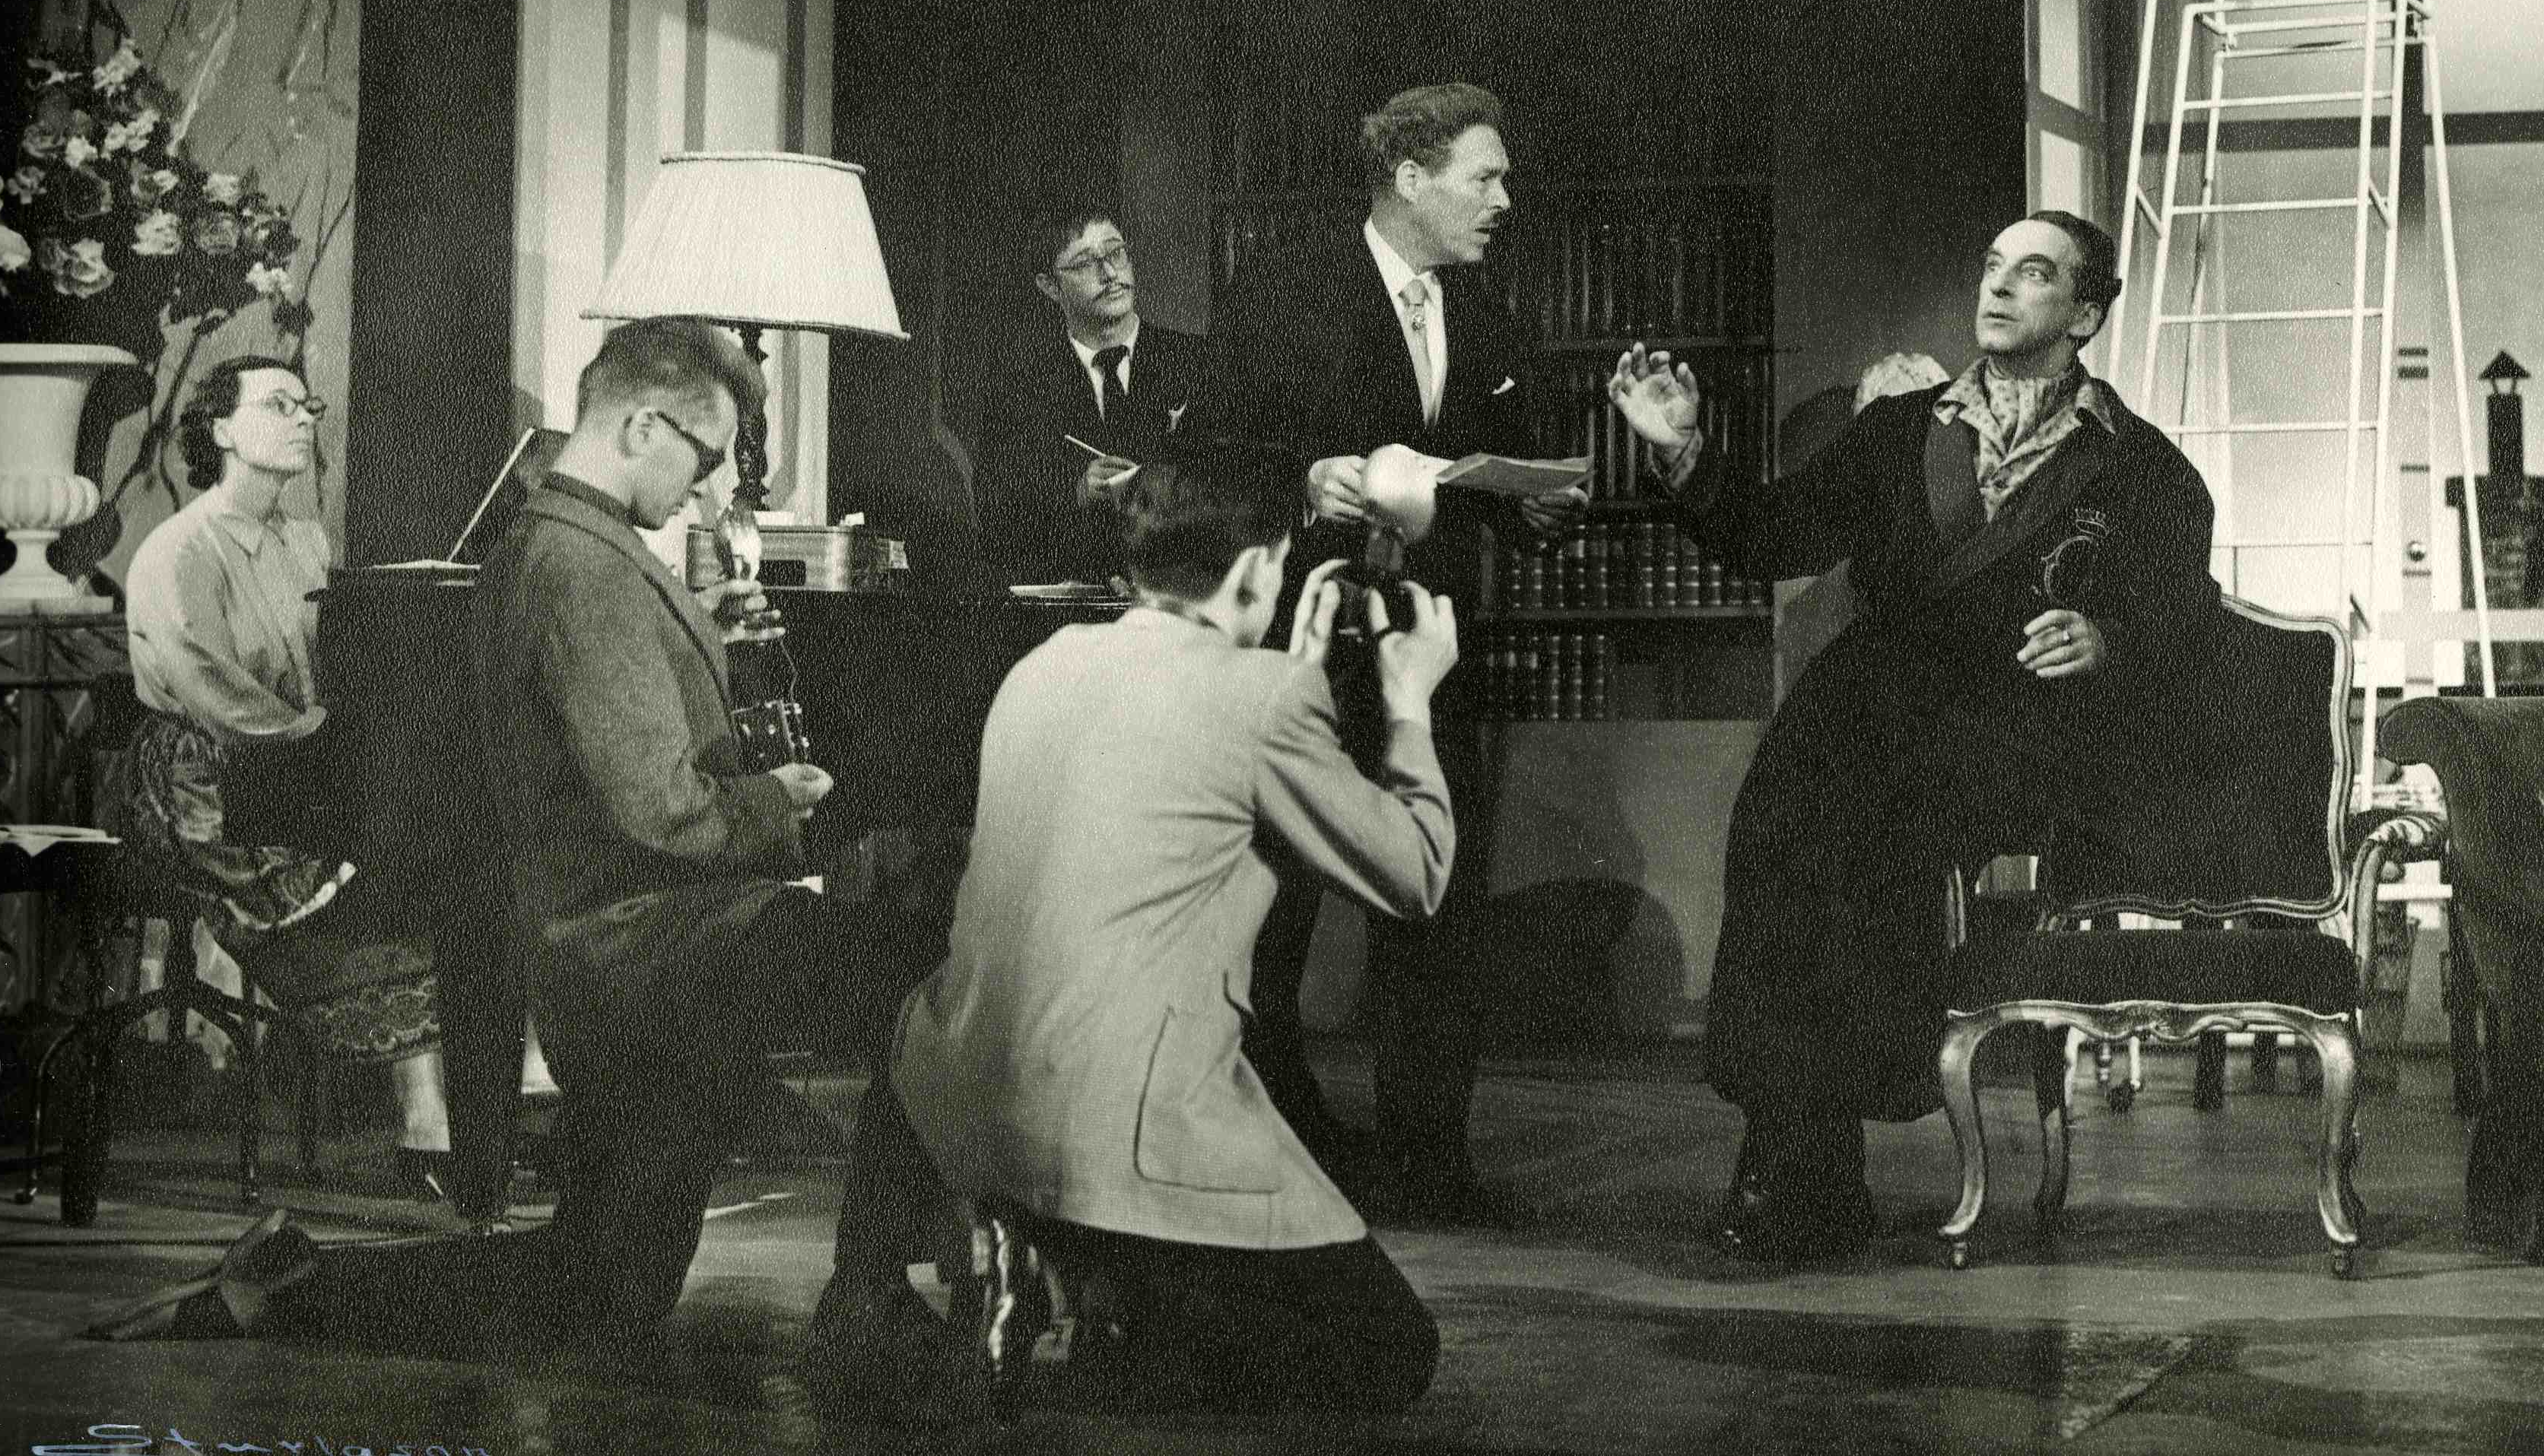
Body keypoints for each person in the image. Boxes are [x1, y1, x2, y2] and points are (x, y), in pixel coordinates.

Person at [87, 320, 961, 1410]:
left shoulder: (563, 544)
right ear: (642, 425)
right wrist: (778, 800)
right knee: (931, 970)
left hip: (621, 951)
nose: (705, 487)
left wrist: (707, 647)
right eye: (702, 456)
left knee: (599, 1290)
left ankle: (286, 1284)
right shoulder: (582, 566)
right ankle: (869, 1297)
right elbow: (666, 811)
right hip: (651, 950)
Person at [1605, 209, 2218, 1261]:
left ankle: (1802, 1159)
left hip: (2016, 724)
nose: (1999, 287)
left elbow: (2187, 620)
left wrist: (2106, 636)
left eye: (2033, 273)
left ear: (2085, 314)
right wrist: (1683, 455)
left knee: (1870, 840)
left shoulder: (2143, 468)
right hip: (1870, 701)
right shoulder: (1896, 432)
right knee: (1782, 824)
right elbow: (1772, 537)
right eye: (1992, 266)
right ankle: (1795, 1152)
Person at [893, 449, 1459, 1416]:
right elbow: (1415, 875)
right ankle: (1109, 1301)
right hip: (1121, 1124)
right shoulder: (1264, 697)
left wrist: (1286, 678)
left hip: (962, 1095)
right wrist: (1409, 706)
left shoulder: (1044, 663)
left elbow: (1185, 770)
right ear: (1258, 570)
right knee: (1388, 1354)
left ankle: (1049, 1261)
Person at [1197, 81, 1581, 1221]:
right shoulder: (1284, 290)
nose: (1504, 200)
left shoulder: (1490, 310)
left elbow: (1507, 469)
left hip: (1429, 655)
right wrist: (1299, 479)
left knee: (1436, 906)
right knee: (1272, 912)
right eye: (1485, 177)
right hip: (1300, 653)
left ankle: (1427, 1163)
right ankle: (1268, 1151)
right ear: (1411, 180)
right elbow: (1204, 455)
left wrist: (1537, 507)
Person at [95, 354, 453, 1197]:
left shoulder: (307, 539)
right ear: (221, 429)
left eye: (308, 406)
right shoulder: (178, 548)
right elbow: (209, 688)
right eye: (279, 405)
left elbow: (331, 662)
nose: (302, 421)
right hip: (195, 780)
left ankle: (442, 1115)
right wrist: (319, 741)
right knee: (328, 881)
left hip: (293, 762)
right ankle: (428, 1124)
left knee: (416, 863)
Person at [976, 203, 1207, 588]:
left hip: (1179, 601)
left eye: (1116, 253)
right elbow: (997, 521)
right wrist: (1077, 492)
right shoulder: (1019, 387)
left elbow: (1240, 499)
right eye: (1085, 264)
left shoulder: (1200, 363)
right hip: (1075, 608)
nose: (1111, 273)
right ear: (1050, 286)